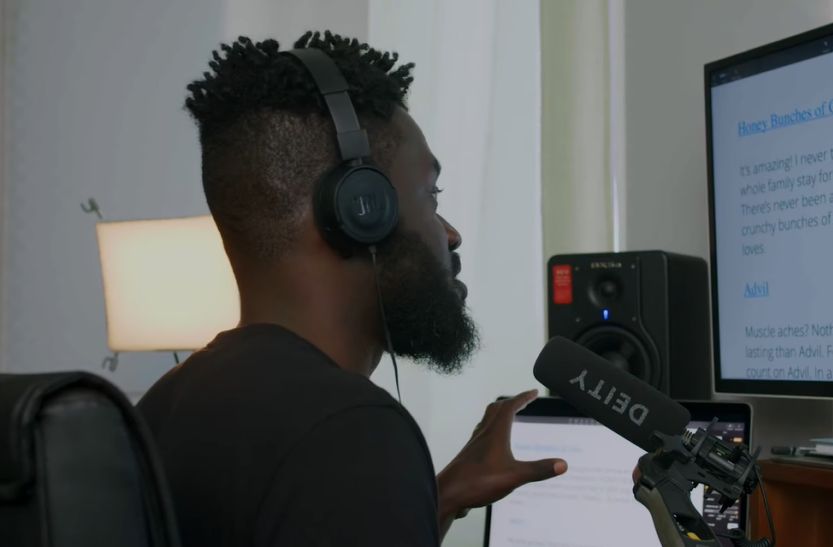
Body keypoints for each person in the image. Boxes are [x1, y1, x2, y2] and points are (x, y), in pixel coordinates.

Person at [137, 31, 567, 547]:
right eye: (430, 194)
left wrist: (442, 496)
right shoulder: (351, 430)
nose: (450, 233)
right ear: (361, 209)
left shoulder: (164, 407)